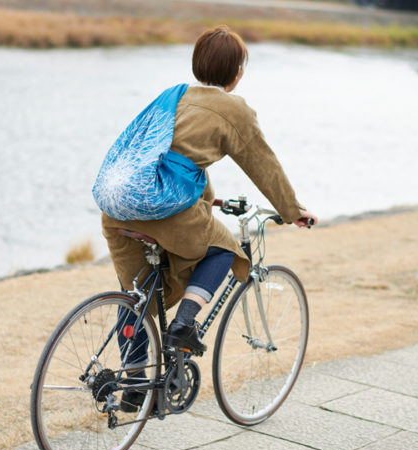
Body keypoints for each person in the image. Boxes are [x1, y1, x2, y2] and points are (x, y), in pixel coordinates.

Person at [94, 25, 317, 363]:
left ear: (197, 63)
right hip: (164, 214)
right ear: (237, 73)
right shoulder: (234, 110)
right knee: (224, 251)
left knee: (139, 298)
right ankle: (184, 325)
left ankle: (133, 389)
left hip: (117, 211)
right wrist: (292, 210)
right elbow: (263, 164)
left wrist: (206, 199)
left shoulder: (174, 96)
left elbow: (172, 161)